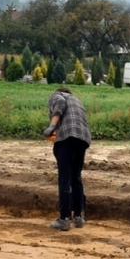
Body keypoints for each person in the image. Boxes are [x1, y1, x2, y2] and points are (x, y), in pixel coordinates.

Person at [43, 86, 91, 230]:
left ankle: (63, 219)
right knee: (75, 177)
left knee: (64, 178)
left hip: (68, 137)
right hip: (83, 138)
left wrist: (51, 127)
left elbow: (59, 106)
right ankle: (78, 217)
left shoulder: (57, 96)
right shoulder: (78, 101)